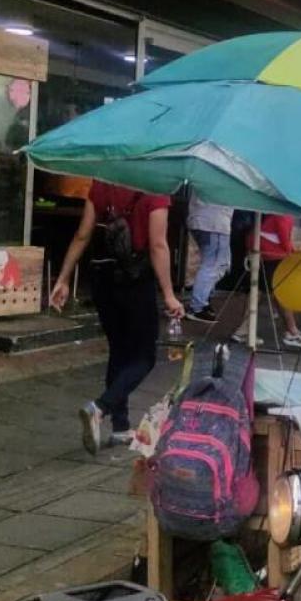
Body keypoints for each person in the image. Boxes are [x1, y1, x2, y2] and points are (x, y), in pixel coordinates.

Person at [49, 181, 183, 455]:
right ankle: (100, 407)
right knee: (145, 357)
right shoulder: (155, 189)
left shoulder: (104, 181)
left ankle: (120, 427)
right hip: (134, 280)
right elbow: (158, 245)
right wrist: (169, 294)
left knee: (119, 352)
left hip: (103, 280)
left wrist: (62, 279)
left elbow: (83, 234)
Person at [233, 214, 301, 351]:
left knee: (259, 290)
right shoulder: (284, 215)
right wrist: (297, 252)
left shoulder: (275, 214)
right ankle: (292, 331)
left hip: (260, 251)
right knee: (280, 291)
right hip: (271, 254)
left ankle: (243, 330)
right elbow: (285, 241)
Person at [185, 193, 233, 323]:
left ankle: (202, 301)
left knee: (213, 264)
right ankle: (198, 307)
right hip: (215, 222)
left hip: (200, 218)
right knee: (214, 265)